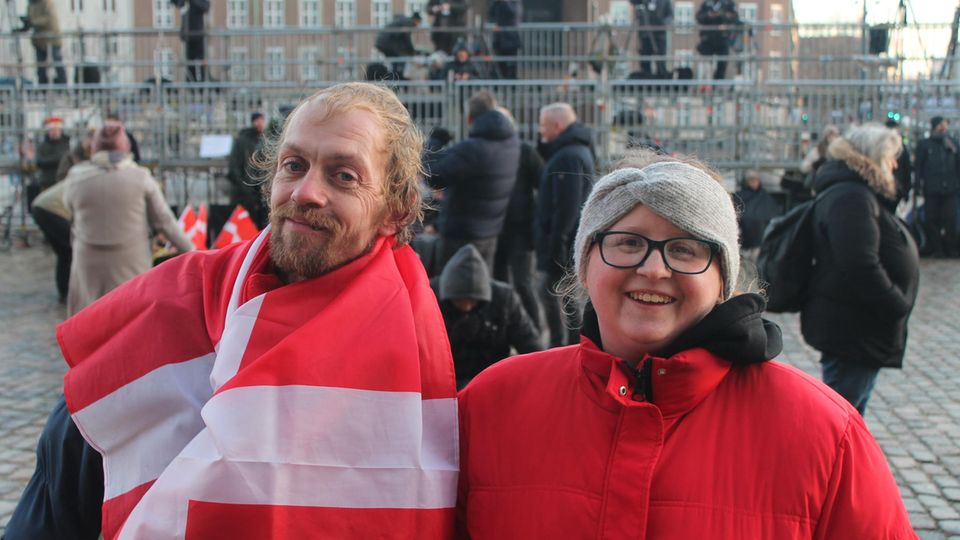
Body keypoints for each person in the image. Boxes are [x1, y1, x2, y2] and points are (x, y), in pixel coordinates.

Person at [5, 83, 459, 539]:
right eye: (294, 165)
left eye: (343, 176)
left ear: (395, 212)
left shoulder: (426, 354)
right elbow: (57, 493)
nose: (305, 193)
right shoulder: (164, 310)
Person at [456, 149, 915, 538]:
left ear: (722, 281)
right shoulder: (489, 405)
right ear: (585, 264)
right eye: (627, 242)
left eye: (685, 249)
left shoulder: (826, 435)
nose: (654, 268)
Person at [802, 124, 920, 415]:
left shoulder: (858, 191)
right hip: (854, 327)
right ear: (874, 157)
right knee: (840, 418)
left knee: (850, 415)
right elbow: (859, 263)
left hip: (859, 325)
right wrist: (895, 304)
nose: (894, 164)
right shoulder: (851, 196)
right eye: (891, 157)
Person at [62, 120, 195, 316]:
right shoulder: (140, 177)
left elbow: (68, 207)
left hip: (88, 260)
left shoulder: (76, 177)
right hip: (131, 259)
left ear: (95, 147)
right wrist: (192, 251)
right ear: (126, 147)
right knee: (130, 317)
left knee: (88, 317)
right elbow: (164, 221)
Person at [423, 90, 521, 271]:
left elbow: (433, 176)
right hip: (490, 232)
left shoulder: (472, 149)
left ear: (469, 118)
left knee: (451, 292)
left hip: (460, 235)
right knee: (480, 292)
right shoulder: (511, 142)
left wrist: (434, 143)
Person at [432, 244, 542, 389]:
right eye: (460, 301)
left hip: (492, 379)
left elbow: (530, 344)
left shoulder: (504, 299)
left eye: (472, 301)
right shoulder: (430, 297)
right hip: (445, 381)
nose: (467, 307)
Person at [535, 102, 595, 347]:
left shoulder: (568, 156)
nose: (540, 131)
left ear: (557, 126)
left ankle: (563, 346)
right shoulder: (575, 151)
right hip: (568, 242)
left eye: (543, 126)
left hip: (564, 244)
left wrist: (557, 246)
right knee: (566, 298)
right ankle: (570, 345)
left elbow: (567, 207)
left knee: (554, 295)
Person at [494, 107, 543, 332]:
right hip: (494, 228)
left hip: (519, 228)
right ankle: (503, 327)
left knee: (523, 282)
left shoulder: (525, 151)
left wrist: (535, 222)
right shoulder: (489, 150)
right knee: (498, 281)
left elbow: (542, 184)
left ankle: (534, 329)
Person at [915, 116, 960, 258]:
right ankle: (937, 249)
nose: (943, 128)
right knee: (931, 219)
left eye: (945, 125)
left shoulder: (953, 144)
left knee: (950, 219)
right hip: (932, 189)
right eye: (941, 125)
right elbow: (918, 167)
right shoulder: (924, 144)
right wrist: (917, 186)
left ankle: (951, 249)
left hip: (950, 189)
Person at [227, 111, 268, 229]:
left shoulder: (263, 140)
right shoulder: (242, 141)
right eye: (258, 120)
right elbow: (234, 167)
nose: (261, 123)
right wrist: (244, 187)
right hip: (244, 193)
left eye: (262, 120)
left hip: (257, 192)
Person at [17, 0, 66, 85]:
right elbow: (30, 21)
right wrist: (23, 26)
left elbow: (48, 19)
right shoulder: (31, 4)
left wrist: (32, 21)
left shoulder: (47, 3)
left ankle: (63, 86)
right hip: (39, 41)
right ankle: (42, 87)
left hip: (52, 39)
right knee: (41, 67)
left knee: (57, 63)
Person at [735, 169, 779, 260]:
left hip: (760, 245)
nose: (754, 182)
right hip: (742, 246)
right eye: (751, 180)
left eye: (756, 179)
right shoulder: (739, 197)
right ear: (746, 182)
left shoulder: (766, 199)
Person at [28, 116, 71, 208]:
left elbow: (67, 159)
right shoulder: (43, 145)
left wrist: (51, 160)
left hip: (62, 181)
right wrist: (58, 159)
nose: (54, 132)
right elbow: (39, 162)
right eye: (52, 130)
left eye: (56, 130)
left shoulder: (66, 144)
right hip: (47, 182)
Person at [695, 0, 739, 80]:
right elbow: (699, 17)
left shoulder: (728, 3)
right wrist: (709, 15)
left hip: (723, 39)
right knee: (706, 63)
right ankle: (706, 84)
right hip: (707, 39)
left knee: (722, 63)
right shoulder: (706, 3)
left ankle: (718, 83)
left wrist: (722, 15)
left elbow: (734, 17)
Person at [631, 0, 673, 77]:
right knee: (645, 61)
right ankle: (646, 79)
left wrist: (663, 24)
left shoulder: (665, 1)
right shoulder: (644, 2)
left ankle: (661, 79)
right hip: (646, 35)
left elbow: (670, 15)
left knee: (661, 60)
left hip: (660, 35)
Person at [375, 12, 422, 78]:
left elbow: (402, 39)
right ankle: (395, 81)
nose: (418, 26)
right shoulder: (409, 23)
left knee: (395, 62)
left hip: (382, 42)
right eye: (419, 23)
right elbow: (406, 38)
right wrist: (412, 51)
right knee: (397, 61)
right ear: (417, 21)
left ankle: (394, 80)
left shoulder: (404, 21)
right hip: (386, 43)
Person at [173, 0, 210, 82]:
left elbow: (205, 7)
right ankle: (191, 87)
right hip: (187, 36)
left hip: (198, 35)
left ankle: (202, 86)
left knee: (201, 64)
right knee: (189, 65)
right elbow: (176, 3)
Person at [488, 0, 522, 79]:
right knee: (499, 65)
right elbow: (491, 14)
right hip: (499, 40)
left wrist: (505, 2)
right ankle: (499, 86)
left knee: (511, 66)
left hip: (511, 40)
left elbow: (513, 14)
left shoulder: (514, 2)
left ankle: (511, 87)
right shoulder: (497, 3)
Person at [885, 118, 913, 206]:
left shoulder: (879, 147)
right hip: (896, 187)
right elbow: (907, 169)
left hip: (885, 187)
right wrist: (906, 190)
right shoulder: (902, 147)